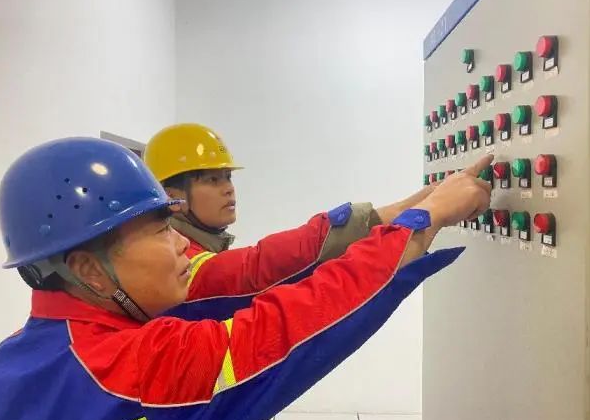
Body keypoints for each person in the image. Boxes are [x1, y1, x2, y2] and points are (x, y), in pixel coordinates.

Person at [0, 137, 492, 420]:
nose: (182, 244)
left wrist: (409, 211)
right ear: (87, 269)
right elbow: (290, 323)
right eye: (162, 230)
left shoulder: (23, 353)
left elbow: (256, 274)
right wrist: (423, 219)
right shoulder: (131, 366)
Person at [144, 123, 442, 321]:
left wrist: (412, 205)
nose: (228, 189)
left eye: (228, 177)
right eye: (212, 180)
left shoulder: (195, 247)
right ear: (173, 198)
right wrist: (389, 214)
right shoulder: (178, 262)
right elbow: (255, 267)